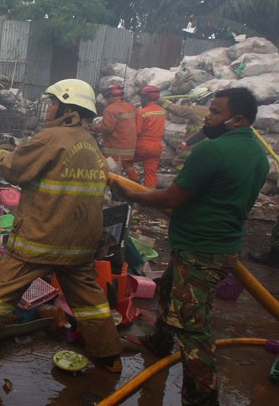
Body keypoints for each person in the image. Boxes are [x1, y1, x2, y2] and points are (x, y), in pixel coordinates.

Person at [0, 79, 123, 373]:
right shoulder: (90, 144)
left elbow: (13, 168)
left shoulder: (52, 138)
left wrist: (2, 149)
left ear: (68, 109)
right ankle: (109, 356)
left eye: (53, 103)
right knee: (89, 300)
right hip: (80, 243)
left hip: (41, 239)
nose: (49, 109)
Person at [116, 87, 269, 406]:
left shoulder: (211, 151)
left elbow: (174, 197)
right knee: (169, 287)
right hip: (221, 246)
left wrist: (133, 196)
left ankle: (202, 397)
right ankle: (159, 342)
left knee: (191, 326)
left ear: (237, 119)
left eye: (215, 112)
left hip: (200, 248)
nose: (208, 117)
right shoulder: (257, 155)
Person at [124, 86, 166, 188]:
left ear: (146, 98)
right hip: (157, 147)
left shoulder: (142, 112)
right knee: (150, 174)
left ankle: (135, 181)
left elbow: (137, 132)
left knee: (126, 161)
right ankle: (149, 198)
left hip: (143, 147)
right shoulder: (162, 111)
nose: (141, 100)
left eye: (142, 97)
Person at [90, 83, 137, 166]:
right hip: (129, 149)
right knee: (127, 166)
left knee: (110, 169)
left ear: (110, 96)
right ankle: (134, 179)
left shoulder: (110, 109)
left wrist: (95, 127)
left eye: (106, 98)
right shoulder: (130, 107)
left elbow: (107, 128)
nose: (106, 101)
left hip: (115, 150)